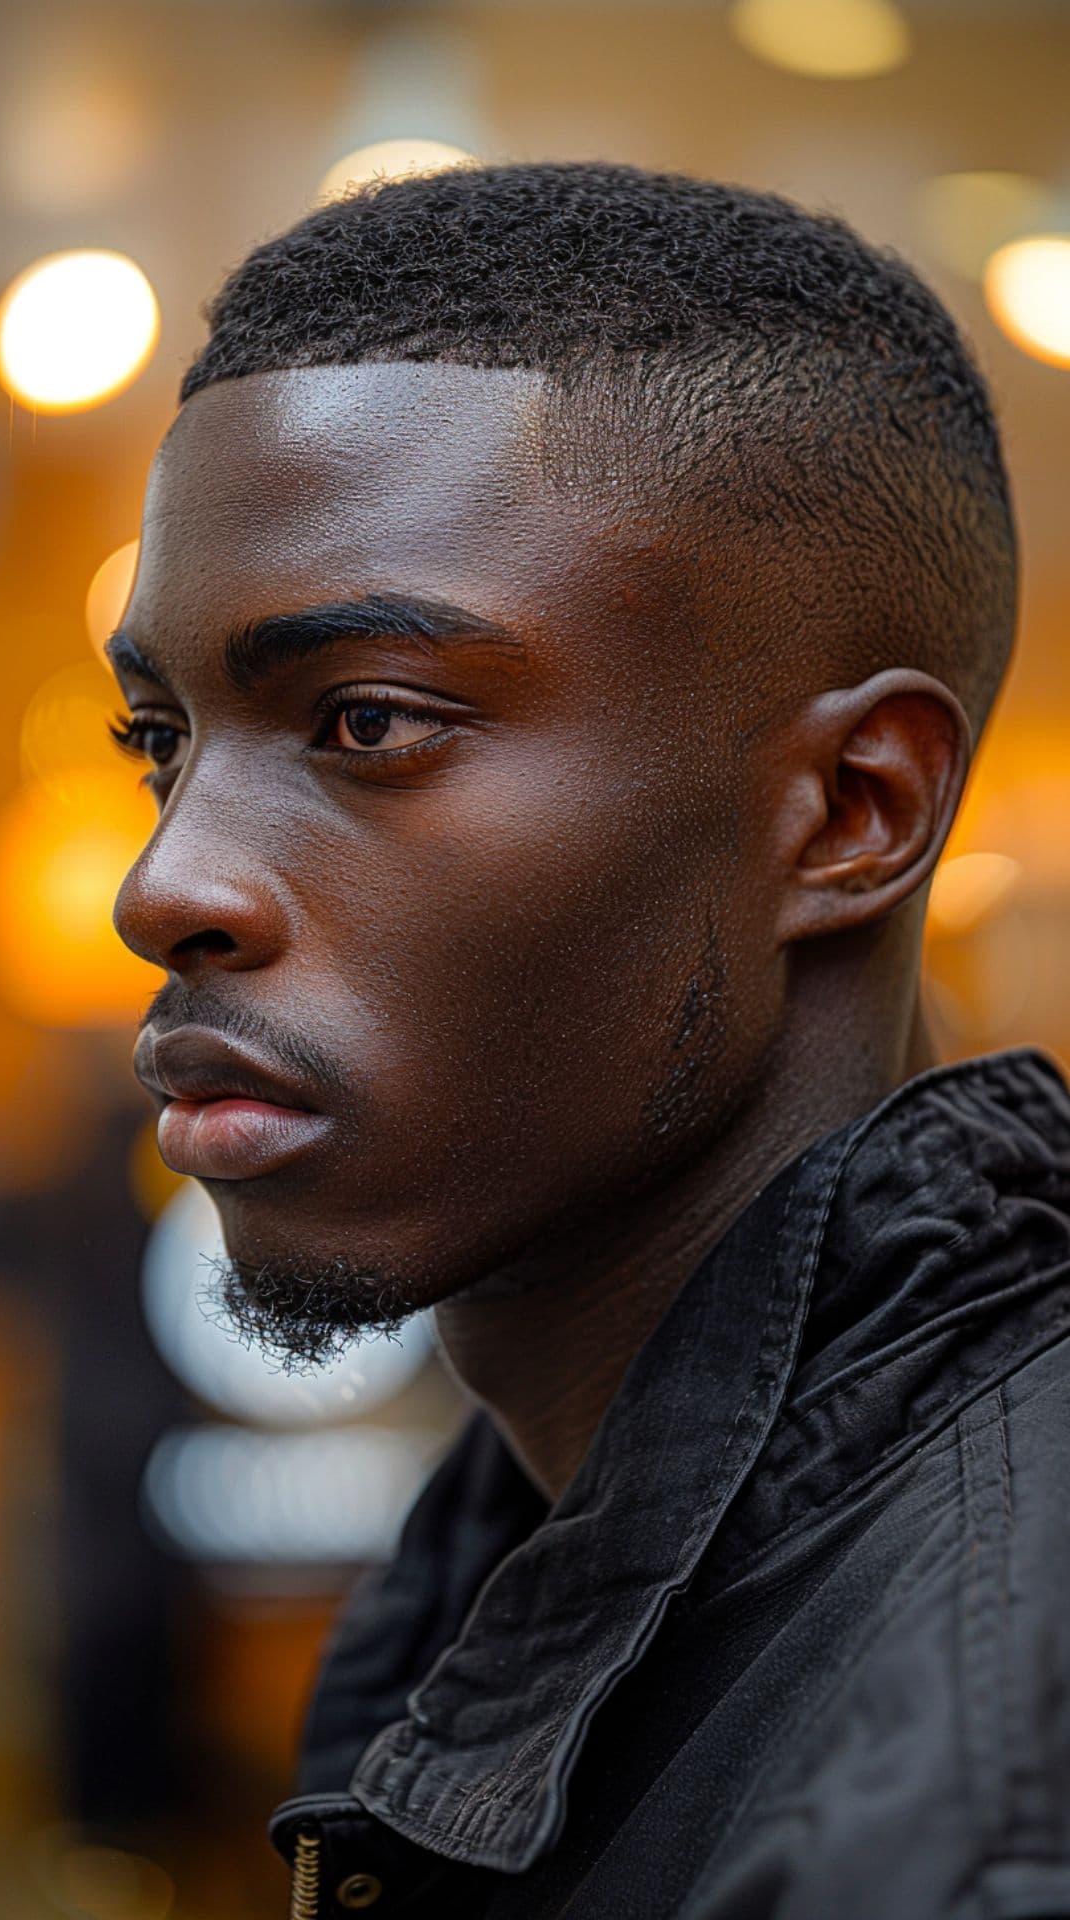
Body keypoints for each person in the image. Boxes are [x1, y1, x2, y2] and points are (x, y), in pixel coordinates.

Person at [111, 164, 1070, 1918]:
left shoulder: (987, 1795)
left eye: (367, 719)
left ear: (852, 810)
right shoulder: (507, 1554)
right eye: (158, 740)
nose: (165, 884)